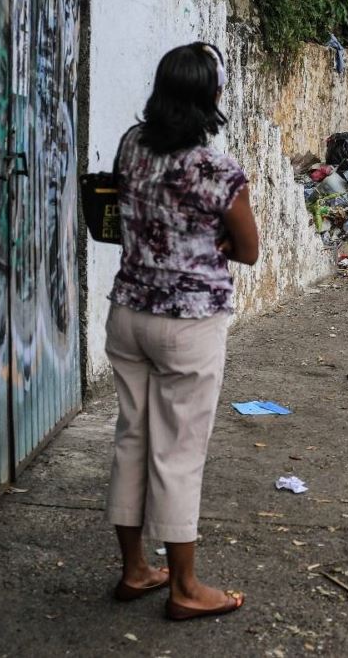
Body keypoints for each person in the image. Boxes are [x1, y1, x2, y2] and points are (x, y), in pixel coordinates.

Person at [104, 42, 259, 621]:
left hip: (128, 315)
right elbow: (248, 250)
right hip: (188, 325)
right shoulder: (218, 171)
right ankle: (186, 588)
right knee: (178, 455)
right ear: (212, 96)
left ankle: (135, 569)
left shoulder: (131, 145)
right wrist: (212, 240)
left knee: (132, 440)